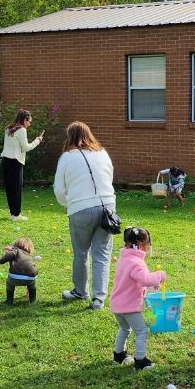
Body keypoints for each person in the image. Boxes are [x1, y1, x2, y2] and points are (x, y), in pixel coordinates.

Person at [53, 121, 117, 310]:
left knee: (81, 253)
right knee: (102, 255)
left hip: (80, 209)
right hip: (108, 208)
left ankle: (80, 291)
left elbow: (59, 191)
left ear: (69, 137)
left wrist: (68, 203)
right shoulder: (103, 153)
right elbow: (109, 177)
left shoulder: (66, 157)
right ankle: (99, 299)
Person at [110, 225, 166, 371]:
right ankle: (140, 362)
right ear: (141, 245)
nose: (148, 248)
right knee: (141, 331)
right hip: (130, 307)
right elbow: (145, 279)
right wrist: (159, 275)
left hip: (117, 305)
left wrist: (153, 286)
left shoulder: (124, 258)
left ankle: (119, 355)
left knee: (124, 328)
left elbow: (135, 281)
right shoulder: (136, 262)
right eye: (148, 245)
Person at [0, 109, 44, 221]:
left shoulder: (8, 129)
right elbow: (26, 148)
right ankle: (16, 214)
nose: (30, 124)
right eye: (30, 121)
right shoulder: (22, 130)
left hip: (6, 161)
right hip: (15, 162)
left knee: (10, 188)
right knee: (16, 188)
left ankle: (12, 213)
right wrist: (37, 140)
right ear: (25, 119)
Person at [0, 236, 39, 304]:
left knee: (9, 283)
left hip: (15, 277)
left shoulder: (16, 251)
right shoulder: (28, 255)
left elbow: (10, 254)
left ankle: (9, 300)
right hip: (31, 277)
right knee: (32, 284)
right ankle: (33, 300)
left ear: (16, 246)